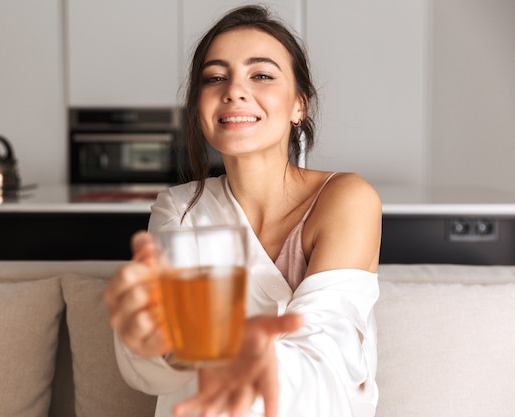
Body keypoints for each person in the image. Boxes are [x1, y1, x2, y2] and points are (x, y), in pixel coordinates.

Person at [103, 4, 382, 417]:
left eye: (262, 75)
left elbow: (327, 352)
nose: (233, 90)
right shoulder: (179, 210)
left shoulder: (346, 198)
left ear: (298, 106)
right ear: (201, 109)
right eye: (215, 77)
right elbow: (165, 360)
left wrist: (228, 349)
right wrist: (160, 346)